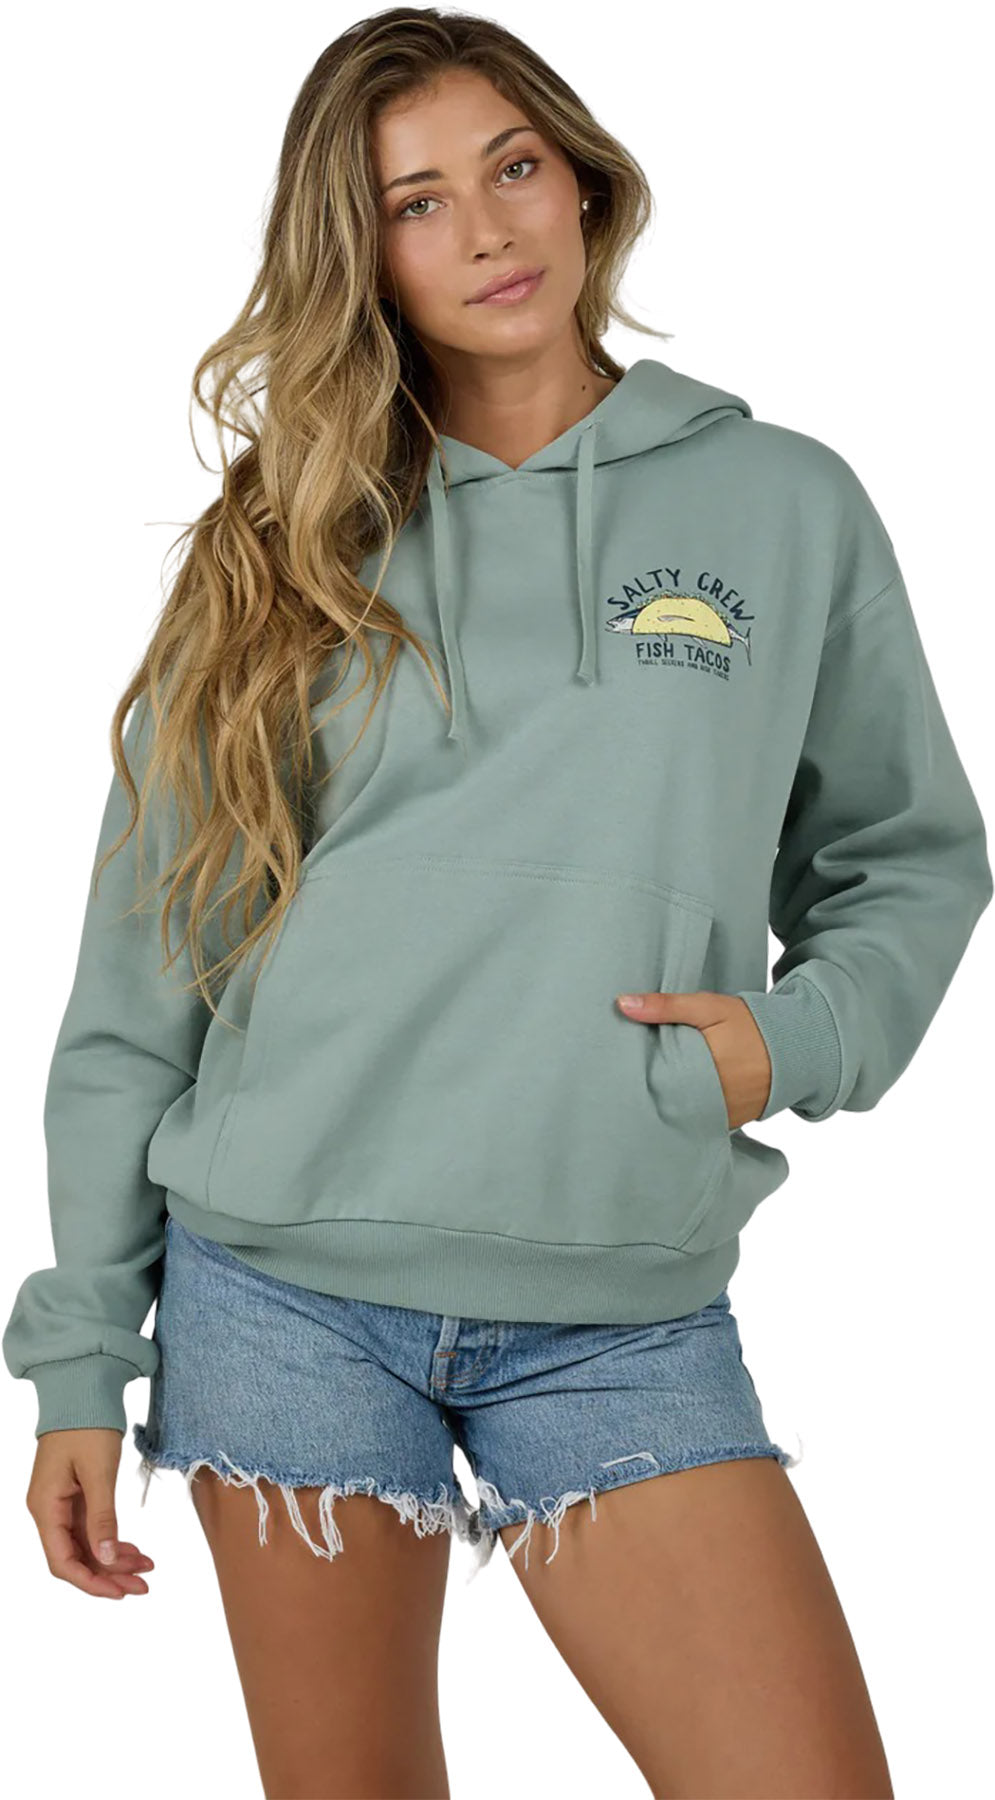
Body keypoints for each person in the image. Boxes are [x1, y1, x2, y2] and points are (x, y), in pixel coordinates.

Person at [5, 8, 990, 1796]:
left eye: (515, 166)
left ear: (584, 181)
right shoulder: (282, 539)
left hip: (621, 1301)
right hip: (281, 1294)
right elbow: (144, 974)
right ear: (362, 251)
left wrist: (792, 1045)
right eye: (418, 201)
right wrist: (81, 1355)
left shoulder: (784, 503)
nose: (488, 229)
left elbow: (908, 852)